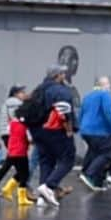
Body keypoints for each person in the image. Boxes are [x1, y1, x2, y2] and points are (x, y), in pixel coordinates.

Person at [30, 65, 79, 207]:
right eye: (62, 73)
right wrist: (69, 129)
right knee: (68, 159)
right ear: (58, 76)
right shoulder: (60, 91)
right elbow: (65, 111)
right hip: (57, 131)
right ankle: (49, 186)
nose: (64, 75)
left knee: (46, 162)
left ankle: (42, 198)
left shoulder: (38, 90)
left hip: (39, 132)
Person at [78, 77, 111, 191]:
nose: (109, 86)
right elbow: (108, 112)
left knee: (94, 152)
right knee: (106, 154)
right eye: (108, 84)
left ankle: (95, 181)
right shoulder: (105, 95)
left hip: (86, 130)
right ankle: (88, 174)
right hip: (100, 131)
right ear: (104, 85)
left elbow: (81, 113)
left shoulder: (87, 96)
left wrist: (80, 128)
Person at [0, 111, 33, 207]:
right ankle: (21, 198)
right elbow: (30, 139)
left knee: (20, 173)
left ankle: (7, 189)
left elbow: (9, 133)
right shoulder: (25, 126)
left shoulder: (12, 124)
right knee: (25, 174)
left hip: (12, 151)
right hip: (21, 152)